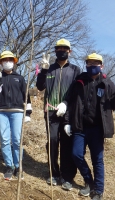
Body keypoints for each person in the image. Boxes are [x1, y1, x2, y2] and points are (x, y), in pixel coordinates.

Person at [63, 53, 115, 200]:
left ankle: (98, 191)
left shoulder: (106, 83)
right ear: (86, 65)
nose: (92, 66)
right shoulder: (79, 81)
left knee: (97, 160)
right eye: (90, 63)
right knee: (76, 154)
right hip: (80, 127)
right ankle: (88, 181)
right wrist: (67, 122)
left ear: (102, 66)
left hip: (97, 129)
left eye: (96, 64)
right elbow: (70, 101)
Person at [36, 38, 81, 190]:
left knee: (67, 144)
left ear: (70, 51)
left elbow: (76, 92)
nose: (62, 51)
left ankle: (67, 176)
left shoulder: (75, 70)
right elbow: (40, 87)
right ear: (55, 51)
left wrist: (66, 104)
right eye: (59, 49)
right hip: (50, 112)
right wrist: (43, 71)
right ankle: (53, 173)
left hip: (68, 113)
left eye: (65, 49)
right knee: (53, 141)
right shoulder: (49, 68)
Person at [0, 50, 32, 180]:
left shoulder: (20, 78)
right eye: (5, 60)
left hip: (17, 112)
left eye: (10, 60)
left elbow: (26, 96)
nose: (7, 62)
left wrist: (28, 113)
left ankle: (19, 166)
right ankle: (9, 166)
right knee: (5, 139)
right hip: (1, 112)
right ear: (1, 63)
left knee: (17, 140)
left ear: (14, 62)